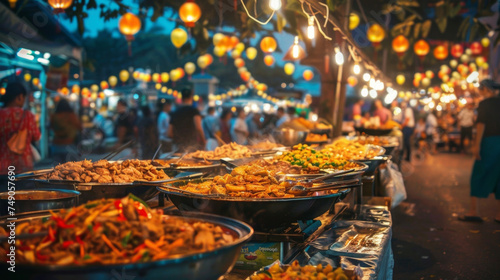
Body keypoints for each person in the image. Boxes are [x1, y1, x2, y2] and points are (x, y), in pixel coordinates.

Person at [459, 79, 500, 223]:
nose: (479, 92)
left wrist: (476, 145)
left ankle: (474, 211)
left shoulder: (484, 104)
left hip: (489, 142)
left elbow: (481, 125)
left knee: (478, 173)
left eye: (481, 89)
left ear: (486, 89)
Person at [0, 82, 41, 174]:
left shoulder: (1, 115)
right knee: (23, 188)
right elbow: (36, 137)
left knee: (6, 188)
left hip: (2, 166)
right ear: (19, 97)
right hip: (23, 166)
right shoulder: (28, 116)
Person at [50, 99, 82, 164]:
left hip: (56, 145)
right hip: (69, 144)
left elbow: (52, 127)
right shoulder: (71, 116)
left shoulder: (54, 116)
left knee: (58, 170)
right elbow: (80, 127)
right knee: (72, 170)